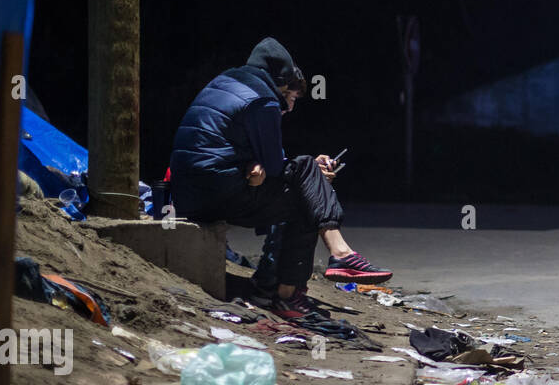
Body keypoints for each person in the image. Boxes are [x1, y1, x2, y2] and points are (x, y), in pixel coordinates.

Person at [168, 38, 393, 319]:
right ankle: (312, 276)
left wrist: (302, 172)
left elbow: (236, 147)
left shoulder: (226, 82)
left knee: (305, 181)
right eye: (293, 98)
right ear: (284, 84)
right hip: (219, 194)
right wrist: (312, 171)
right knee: (305, 191)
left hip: (189, 194)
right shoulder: (264, 100)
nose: (291, 105)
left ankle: (274, 286)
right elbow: (277, 167)